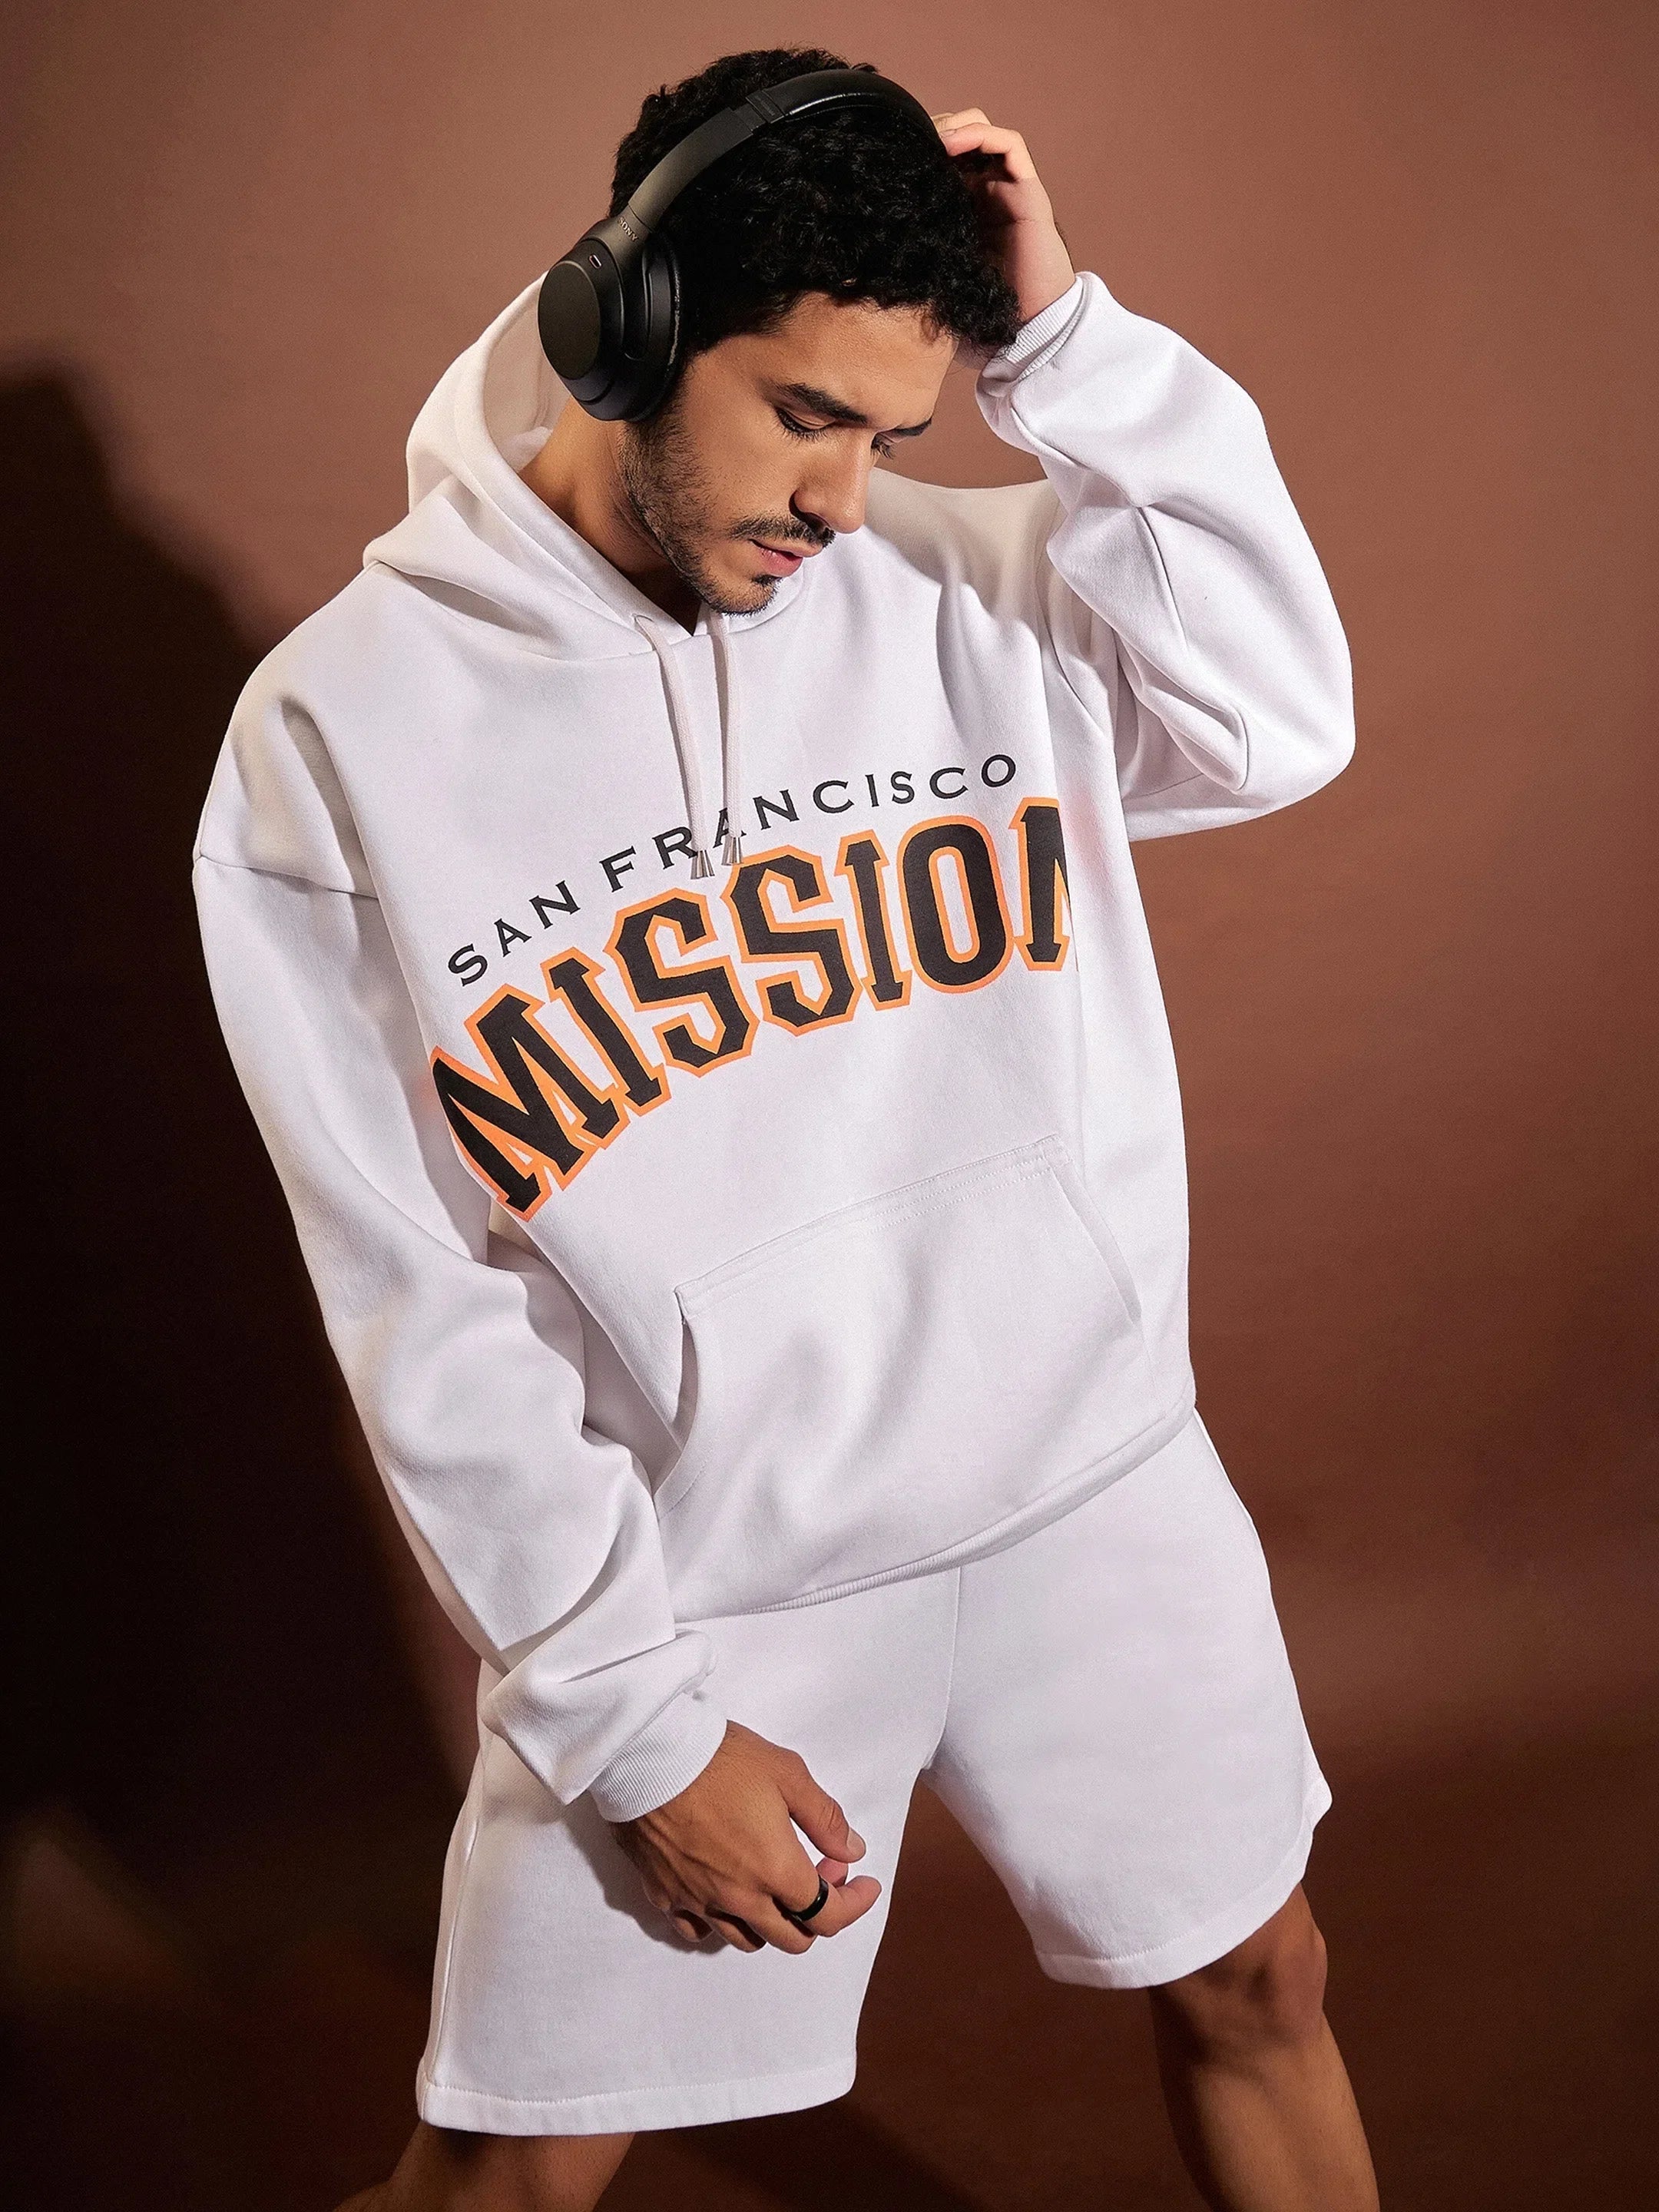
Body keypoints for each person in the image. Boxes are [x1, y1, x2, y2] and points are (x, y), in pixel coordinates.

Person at [194, 44, 1377, 2212]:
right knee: (512, 2178)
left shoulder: (962, 592)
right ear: (622, 327)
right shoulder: (339, 740)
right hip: (713, 1561)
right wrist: (633, 1724)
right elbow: (418, 1297)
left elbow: (1279, 720)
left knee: (1262, 1986)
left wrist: (1070, 353)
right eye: (804, 413)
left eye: (890, 434)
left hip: (1087, 1480)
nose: (839, 498)